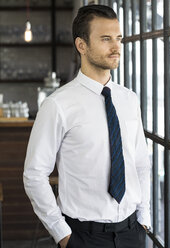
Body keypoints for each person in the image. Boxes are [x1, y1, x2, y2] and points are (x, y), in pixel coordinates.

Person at [23, 4, 151, 248]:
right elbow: (34, 174)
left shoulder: (129, 99)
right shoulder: (58, 105)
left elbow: (140, 164)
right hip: (83, 236)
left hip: (131, 232)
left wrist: (144, 219)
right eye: (105, 39)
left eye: (118, 38)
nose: (116, 48)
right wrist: (63, 234)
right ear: (81, 45)